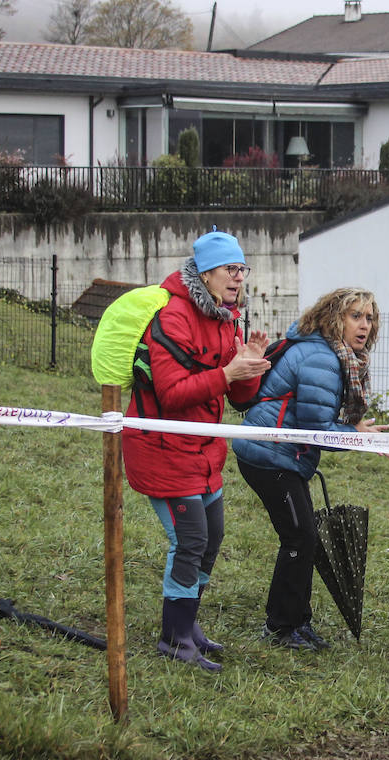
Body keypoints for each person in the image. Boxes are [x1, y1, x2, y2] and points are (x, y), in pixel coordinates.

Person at [121, 227, 271, 673]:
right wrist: (228, 373)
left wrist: (250, 368)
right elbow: (171, 394)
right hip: (162, 449)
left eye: (242, 268)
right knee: (189, 542)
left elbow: (240, 402)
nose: (238, 277)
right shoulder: (173, 317)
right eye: (230, 268)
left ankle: (190, 628)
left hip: (204, 453)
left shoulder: (227, 318)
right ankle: (174, 637)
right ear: (205, 273)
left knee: (212, 539)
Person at [232, 288, 389, 650]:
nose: (364, 325)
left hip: (284, 454)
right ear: (335, 318)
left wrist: (357, 435)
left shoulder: (328, 352)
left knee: (305, 537)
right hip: (268, 453)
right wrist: (356, 434)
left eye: (369, 318)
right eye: (355, 316)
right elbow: (315, 428)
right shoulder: (322, 358)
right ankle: (280, 628)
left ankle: (298, 623)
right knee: (299, 537)